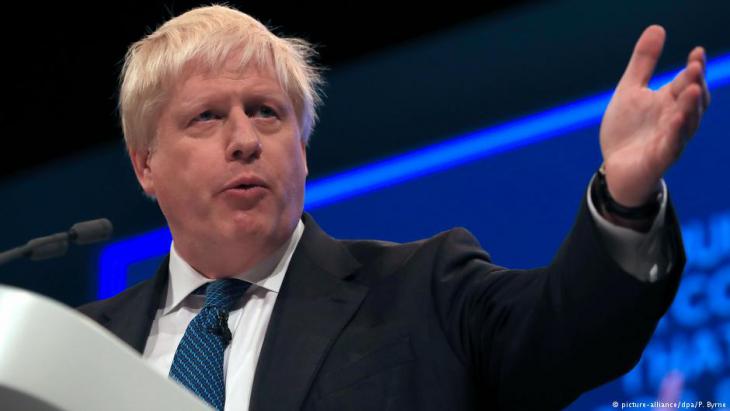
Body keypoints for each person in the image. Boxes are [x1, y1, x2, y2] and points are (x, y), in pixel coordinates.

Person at [78, 4, 710, 411]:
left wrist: (623, 199)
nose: (244, 139)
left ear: (300, 144)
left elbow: (565, 330)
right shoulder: (78, 351)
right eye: (207, 117)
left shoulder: (423, 292)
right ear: (145, 164)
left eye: (266, 112)